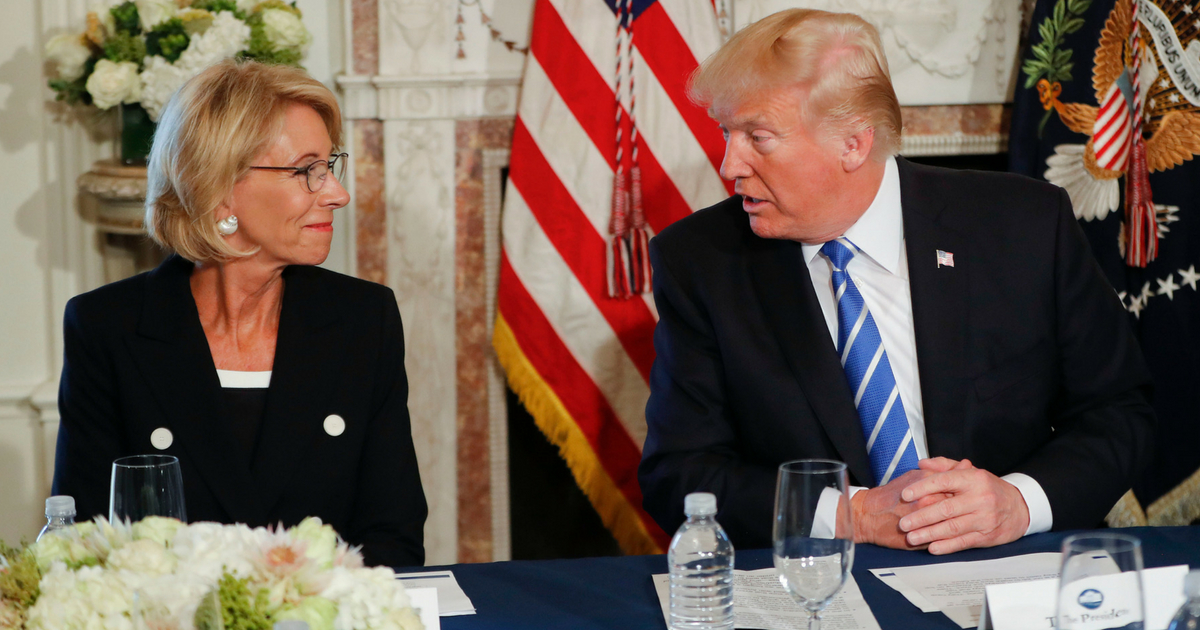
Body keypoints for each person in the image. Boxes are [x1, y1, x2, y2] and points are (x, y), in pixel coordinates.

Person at [639, 9, 1155, 554]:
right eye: (727, 132)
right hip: (823, 583)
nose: (729, 164)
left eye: (758, 137)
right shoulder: (702, 261)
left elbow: (1119, 413)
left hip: (1012, 567)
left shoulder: (1023, 225)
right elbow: (680, 473)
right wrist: (850, 515)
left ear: (854, 144)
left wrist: (1018, 503)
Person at [52, 59, 427, 568]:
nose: (338, 194)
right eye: (307, 171)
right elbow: (84, 548)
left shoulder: (364, 319)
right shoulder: (108, 328)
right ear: (219, 185)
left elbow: (393, 539)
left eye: (330, 167)